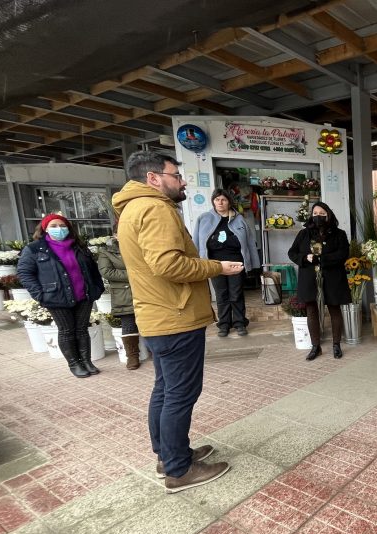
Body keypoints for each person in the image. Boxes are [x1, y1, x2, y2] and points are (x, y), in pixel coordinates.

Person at [113, 150, 242, 493]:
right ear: (153, 178)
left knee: (166, 390)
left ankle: (169, 455)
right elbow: (169, 265)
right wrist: (217, 267)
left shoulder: (132, 209)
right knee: (181, 394)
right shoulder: (154, 208)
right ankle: (179, 470)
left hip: (159, 314)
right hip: (175, 315)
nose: (183, 181)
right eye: (176, 175)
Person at [17, 214, 105, 378]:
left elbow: (93, 270)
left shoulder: (79, 247)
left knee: (81, 329)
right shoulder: (34, 249)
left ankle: (86, 361)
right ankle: (74, 364)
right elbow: (24, 273)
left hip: (83, 295)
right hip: (56, 297)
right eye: (54, 226)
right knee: (67, 331)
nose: (59, 229)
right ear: (45, 229)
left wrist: (97, 288)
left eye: (62, 225)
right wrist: (40, 294)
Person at [287, 201, 350, 361]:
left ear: (328, 214)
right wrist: (305, 258)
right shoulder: (304, 234)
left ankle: (336, 344)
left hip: (333, 278)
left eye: (322, 213)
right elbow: (292, 252)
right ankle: (316, 346)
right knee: (311, 311)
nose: (318, 216)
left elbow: (343, 253)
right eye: (315, 214)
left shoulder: (339, 234)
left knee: (335, 310)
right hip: (309, 278)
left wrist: (322, 259)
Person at [193, 189, 260, 337]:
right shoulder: (204, 218)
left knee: (236, 293)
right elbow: (196, 242)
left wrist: (254, 264)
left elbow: (249, 242)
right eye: (217, 200)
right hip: (215, 263)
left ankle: (239, 323)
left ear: (229, 202)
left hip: (236, 261)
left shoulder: (239, 219)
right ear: (213, 202)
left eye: (223, 200)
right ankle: (223, 324)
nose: (220, 203)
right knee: (221, 294)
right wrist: (197, 264)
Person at [96, 222, 142, 369]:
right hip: (124, 293)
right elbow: (107, 272)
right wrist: (135, 274)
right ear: (115, 235)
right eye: (121, 232)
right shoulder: (106, 252)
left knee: (151, 321)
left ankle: (158, 351)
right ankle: (132, 356)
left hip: (146, 290)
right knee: (129, 325)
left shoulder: (141, 246)